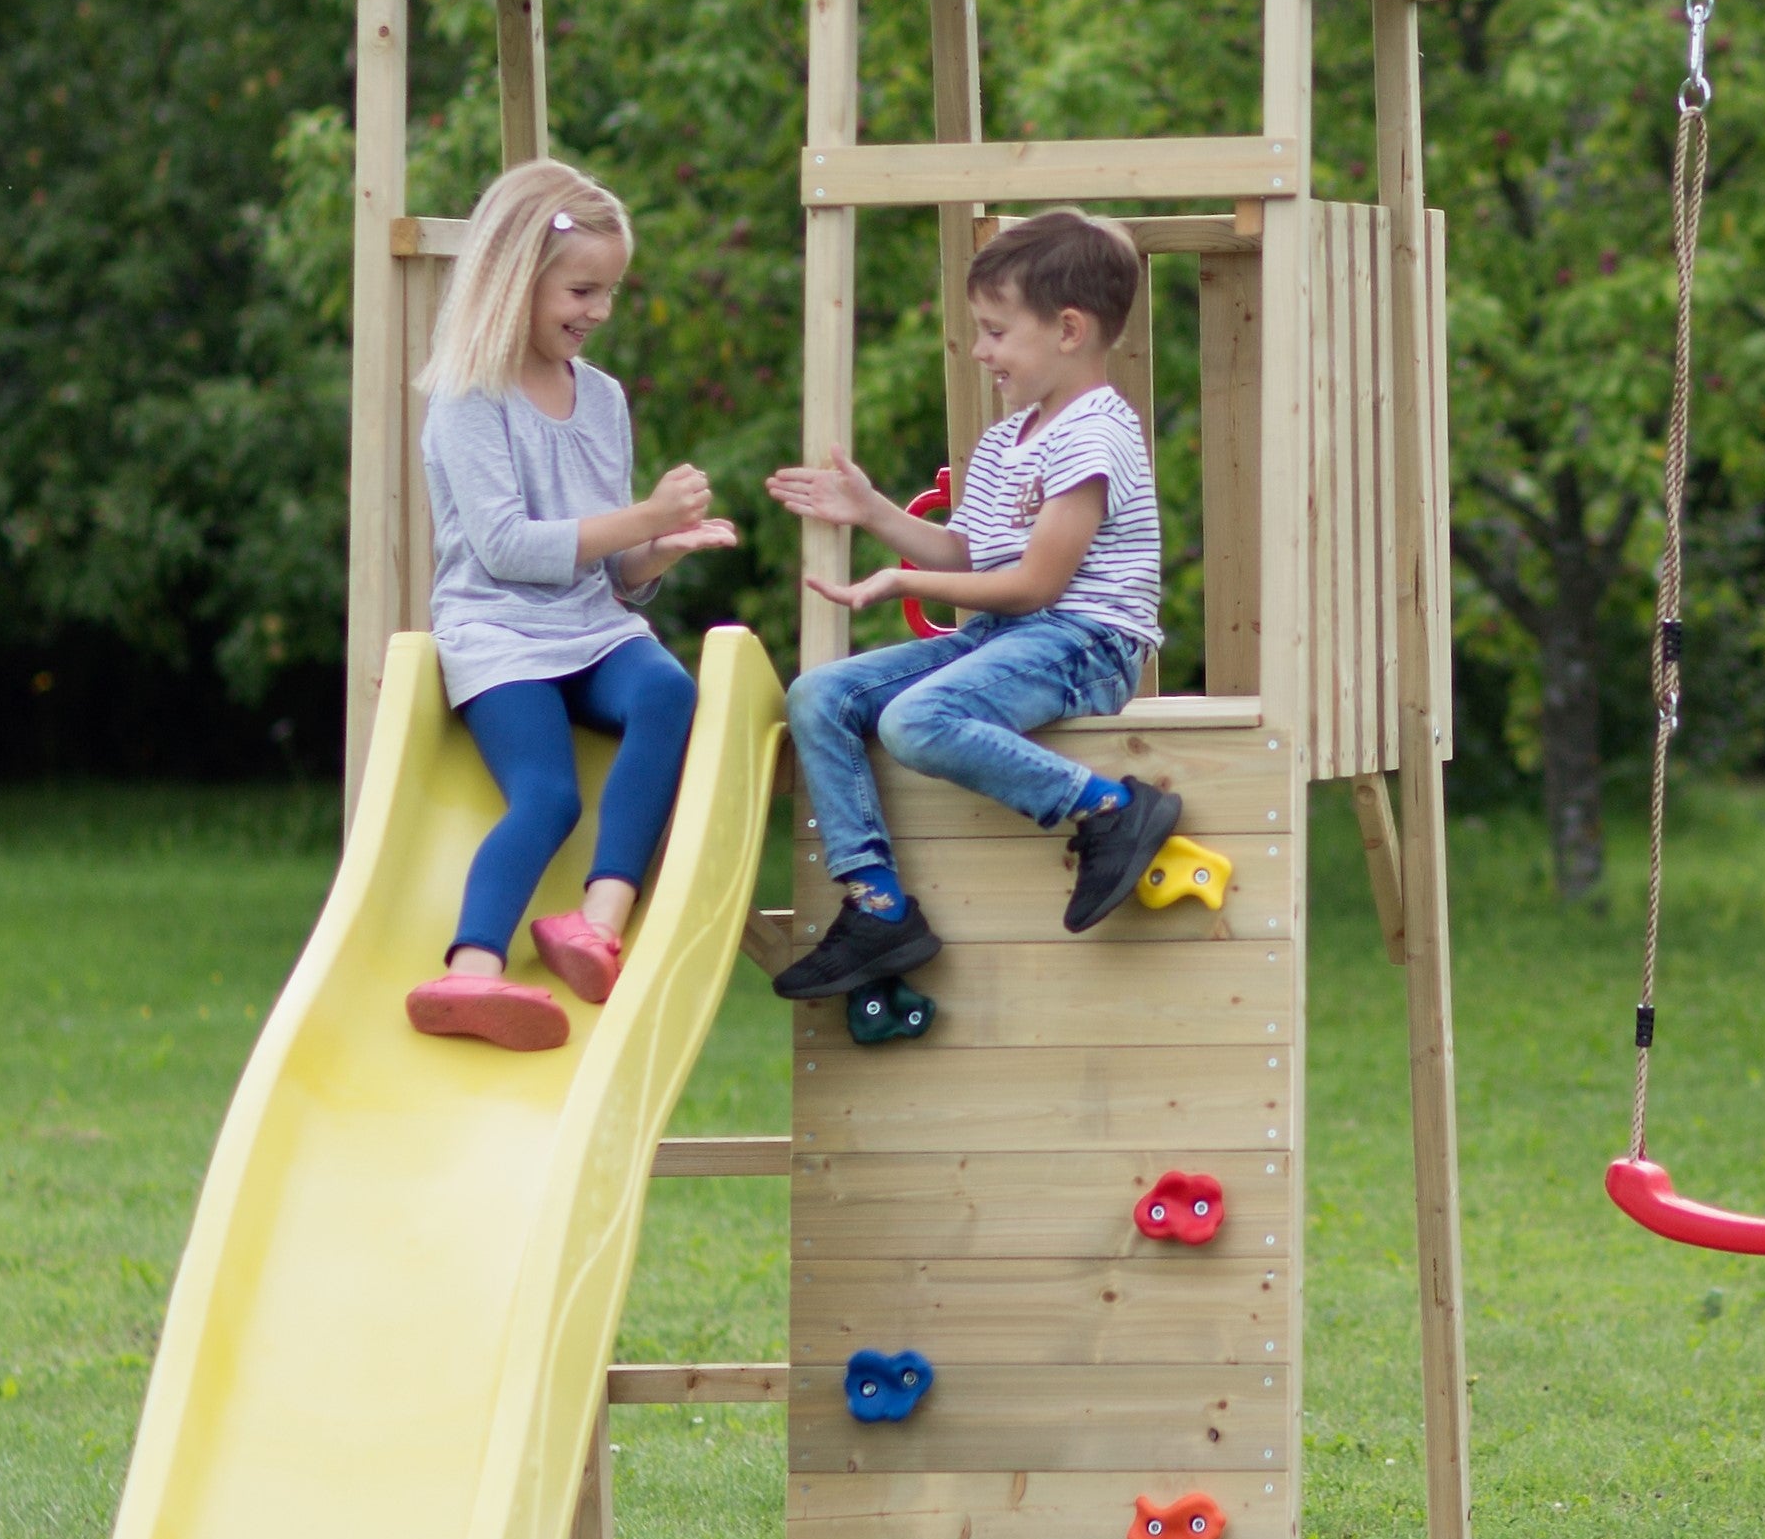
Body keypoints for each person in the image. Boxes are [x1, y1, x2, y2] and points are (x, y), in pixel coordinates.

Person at [766, 207, 1182, 1003]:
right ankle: (878, 905)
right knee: (820, 695)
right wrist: (875, 512)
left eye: (996, 332)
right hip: (1009, 632)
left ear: (1068, 329)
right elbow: (969, 553)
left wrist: (903, 583)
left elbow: (1038, 585)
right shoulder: (1009, 437)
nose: (981, 350)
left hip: (1087, 641)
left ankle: (1109, 810)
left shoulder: (1095, 434)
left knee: (916, 720)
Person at [404, 160, 735, 1052]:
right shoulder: (469, 403)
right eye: (581, 289)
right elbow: (509, 547)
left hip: (590, 631)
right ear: (517, 279)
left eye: (611, 291)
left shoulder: (606, 399)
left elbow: (612, 571)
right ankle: (470, 974)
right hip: (500, 637)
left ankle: (595, 921)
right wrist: (643, 516)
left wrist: (655, 548)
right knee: (546, 795)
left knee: (669, 691)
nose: (598, 310)